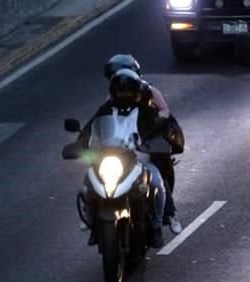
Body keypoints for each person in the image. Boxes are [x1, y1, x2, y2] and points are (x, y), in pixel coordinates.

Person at [78, 69, 173, 248]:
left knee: (156, 184)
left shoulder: (146, 111)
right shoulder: (106, 109)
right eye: (121, 91)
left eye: (128, 91)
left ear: (137, 92)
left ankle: (157, 225)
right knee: (87, 184)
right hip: (110, 157)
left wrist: (159, 141)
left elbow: (159, 129)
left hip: (139, 158)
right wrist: (80, 143)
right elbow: (91, 127)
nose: (124, 95)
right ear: (114, 92)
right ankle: (92, 224)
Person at [102, 54, 182, 234]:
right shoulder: (112, 97)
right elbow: (101, 116)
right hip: (121, 147)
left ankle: (167, 216)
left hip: (145, 145)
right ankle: (93, 221)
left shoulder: (149, 92)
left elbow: (164, 112)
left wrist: (156, 125)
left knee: (157, 181)